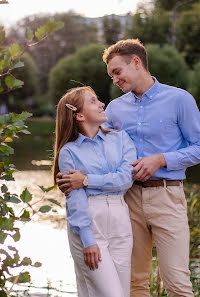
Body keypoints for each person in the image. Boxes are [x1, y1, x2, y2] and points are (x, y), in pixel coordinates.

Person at [58, 39, 200, 297]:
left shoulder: (179, 99)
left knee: (176, 281)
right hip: (126, 201)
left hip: (167, 196)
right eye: (111, 75)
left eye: (117, 72)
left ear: (137, 62)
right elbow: (97, 146)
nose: (115, 80)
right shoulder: (116, 109)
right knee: (134, 282)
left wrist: (161, 159)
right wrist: (81, 177)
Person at [53, 86, 137, 297]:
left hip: (120, 220)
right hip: (89, 225)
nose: (101, 104)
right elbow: (76, 198)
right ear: (79, 115)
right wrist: (88, 240)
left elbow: (125, 179)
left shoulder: (121, 139)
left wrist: (86, 180)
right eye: (93, 101)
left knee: (121, 293)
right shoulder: (68, 152)